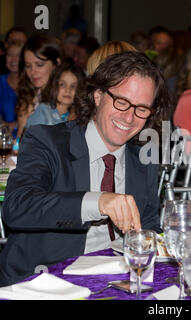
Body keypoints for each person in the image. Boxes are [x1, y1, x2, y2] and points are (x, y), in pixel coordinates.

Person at [0, 51, 171, 286]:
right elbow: (17, 208)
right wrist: (97, 202)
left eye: (141, 109)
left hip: (115, 283)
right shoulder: (48, 142)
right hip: (42, 283)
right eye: (121, 102)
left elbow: (149, 226)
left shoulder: (143, 160)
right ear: (98, 95)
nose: (129, 117)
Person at [15, 34, 63, 140]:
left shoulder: (65, 96)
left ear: (57, 63)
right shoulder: (29, 96)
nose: (33, 72)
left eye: (39, 64)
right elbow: (19, 143)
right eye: (28, 66)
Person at [25, 61, 85, 128]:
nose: (68, 90)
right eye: (62, 84)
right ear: (53, 85)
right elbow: (31, 136)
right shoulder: (44, 111)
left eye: (73, 86)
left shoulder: (77, 116)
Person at [0, 40, 24, 135]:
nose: (14, 60)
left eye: (18, 55)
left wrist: (13, 125)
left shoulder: (34, 84)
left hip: (28, 142)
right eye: (10, 55)